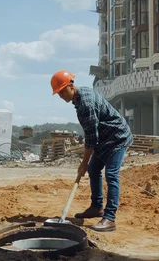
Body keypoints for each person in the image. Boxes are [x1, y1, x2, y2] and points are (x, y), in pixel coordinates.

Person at [50, 70, 133, 232]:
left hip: (117, 138)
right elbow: (93, 136)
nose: (60, 96)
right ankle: (96, 207)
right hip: (104, 139)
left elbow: (91, 139)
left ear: (71, 86)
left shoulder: (85, 104)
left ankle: (109, 218)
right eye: (58, 93)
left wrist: (83, 164)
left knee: (111, 175)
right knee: (94, 169)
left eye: (62, 91)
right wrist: (87, 165)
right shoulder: (80, 96)